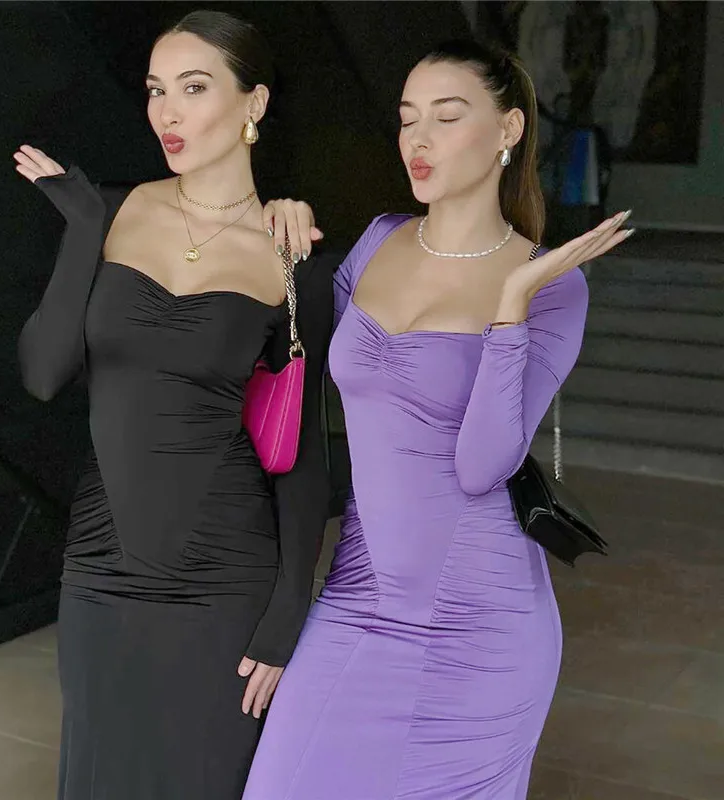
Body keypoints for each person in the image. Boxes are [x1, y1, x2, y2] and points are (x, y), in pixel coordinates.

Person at [245, 39, 631, 799]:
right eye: (407, 118)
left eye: (446, 118)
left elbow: (483, 466)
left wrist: (510, 305)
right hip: (357, 597)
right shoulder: (377, 240)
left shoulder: (554, 287)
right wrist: (279, 236)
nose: (417, 139)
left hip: (479, 629)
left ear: (509, 128)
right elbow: (289, 349)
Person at [13, 10, 333, 800]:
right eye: (157, 90)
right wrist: (84, 228)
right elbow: (43, 375)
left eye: (194, 87)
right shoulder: (111, 212)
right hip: (101, 564)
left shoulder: (292, 255)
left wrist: (289, 609)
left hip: (226, 574)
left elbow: (302, 449)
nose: (167, 112)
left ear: (254, 102)